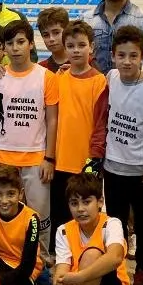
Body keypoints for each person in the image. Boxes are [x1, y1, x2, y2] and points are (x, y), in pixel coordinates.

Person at [0, 19, 59, 271]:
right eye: (10, 43)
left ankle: (42, 262)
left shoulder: (45, 77)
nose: (15, 48)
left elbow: (52, 118)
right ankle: (5, 257)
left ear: (30, 44)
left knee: (39, 217)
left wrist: (49, 157)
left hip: (36, 160)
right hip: (3, 159)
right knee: (4, 213)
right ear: (4, 48)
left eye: (20, 42)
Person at [89, 26, 143, 285]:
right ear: (113, 56)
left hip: (142, 170)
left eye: (133, 55)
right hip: (113, 166)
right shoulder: (111, 77)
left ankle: (142, 268)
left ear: (142, 56)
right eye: (121, 55)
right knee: (115, 222)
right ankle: (115, 268)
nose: (127, 61)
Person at [49, 20, 107, 254]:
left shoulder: (99, 81)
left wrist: (93, 160)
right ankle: (61, 257)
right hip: (60, 161)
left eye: (81, 45)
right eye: (70, 45)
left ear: (91, 47)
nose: (75, 50)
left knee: (86, 215)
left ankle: (89, 254)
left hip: (85, 163)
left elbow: (101, 124)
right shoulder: (59, 78)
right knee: (61, 215)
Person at [36, 7, 70, 72]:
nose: (51, 39)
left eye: (56, 33)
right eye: (46, 35)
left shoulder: (87, 64)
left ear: (67, 31)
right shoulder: (40, 69)